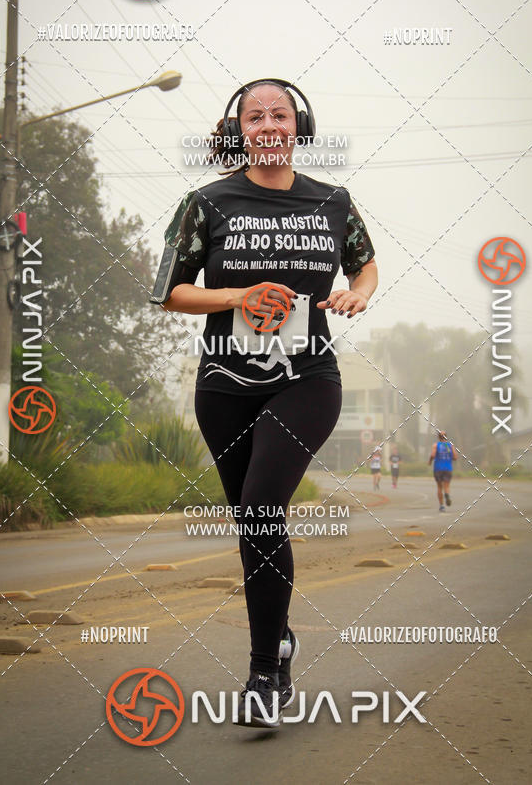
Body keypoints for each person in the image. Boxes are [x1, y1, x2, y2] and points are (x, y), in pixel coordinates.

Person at [153, 79, 378, 727]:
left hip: (307, 374)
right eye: (257, 116)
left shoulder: (330, 201)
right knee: (254, 527)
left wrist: (359, 291)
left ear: (298, 124)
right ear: (240, 129)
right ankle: (280, 639)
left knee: (260, 505)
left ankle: (261, 673)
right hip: (225, 381)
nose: (270, 123)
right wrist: (237, 296)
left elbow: (364, 264)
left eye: (281, 113)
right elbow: (168, 289)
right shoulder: (206, 202)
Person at [428, 430, 458, 512]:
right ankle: (447, 494)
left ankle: (441, 506)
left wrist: (430, 461)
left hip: (438, 468)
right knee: (446, 486)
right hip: (448, 468)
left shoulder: (436, 445)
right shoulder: (450, 446)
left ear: (438, 437)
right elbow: (455, 457)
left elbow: (433, 455)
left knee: (439, 487)